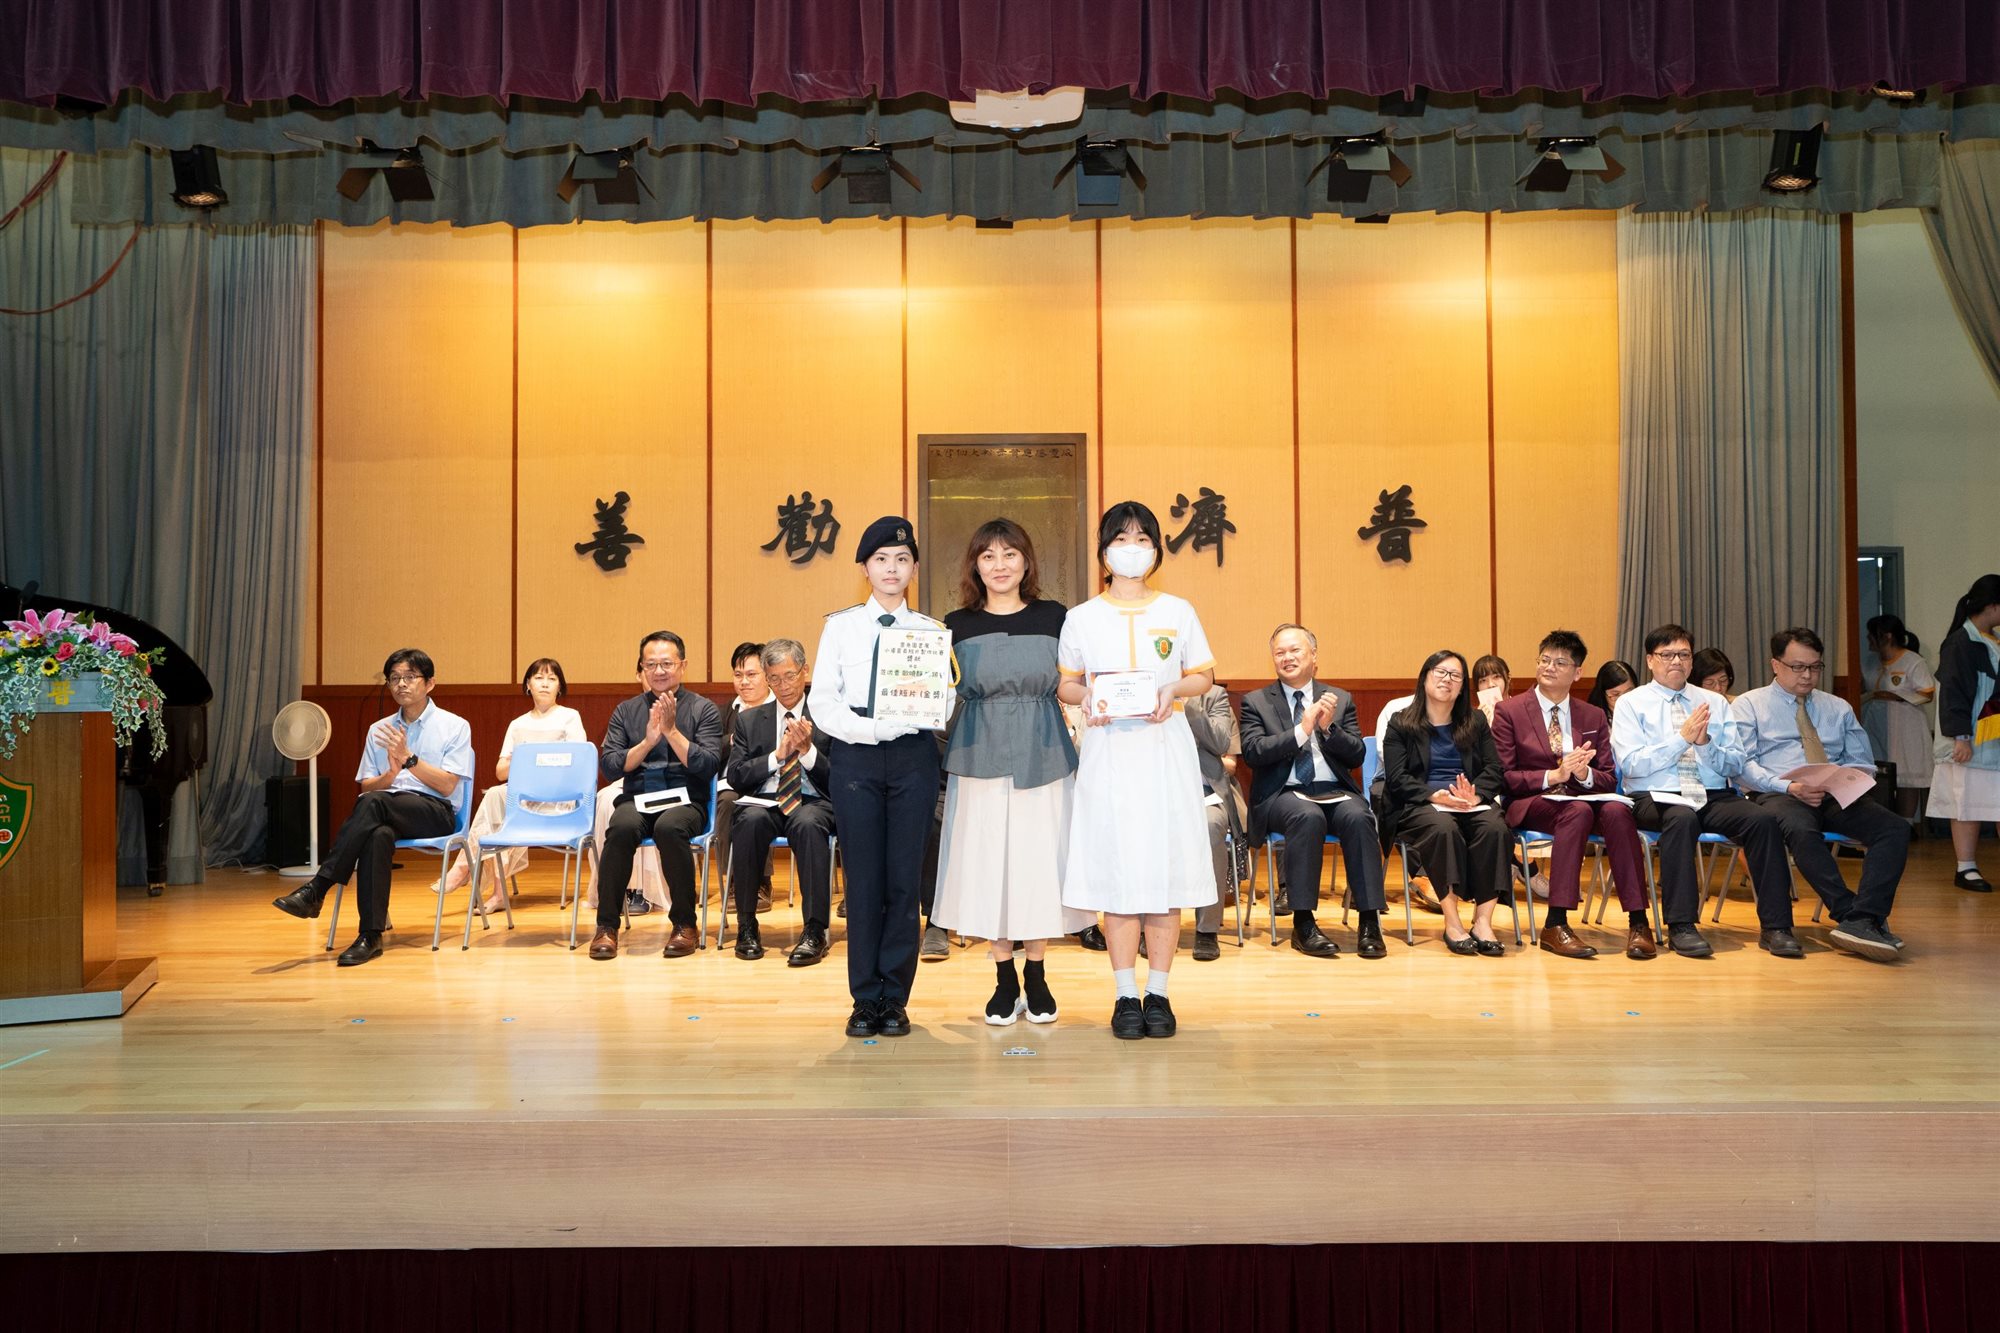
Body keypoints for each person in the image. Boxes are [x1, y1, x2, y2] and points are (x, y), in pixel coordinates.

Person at [1057, 501, 1217, 1039]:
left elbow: (1203, 676)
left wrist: (1173, 688)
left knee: (1162, 873)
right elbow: (1067, 684)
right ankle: (1126, 994)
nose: (1132, 548)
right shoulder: (1081, 617)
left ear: (1156, 550)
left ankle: (1160, 994)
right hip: (1107, 754)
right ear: (1104, 552)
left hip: (1165, 751)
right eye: (1121, 539)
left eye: (1143, 539)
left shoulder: (1178, 610)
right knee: (1118, 872)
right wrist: (1088, 697)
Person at [932, 519, 1091, 1024]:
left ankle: (1037, 974)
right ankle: (1004, 976)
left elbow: (1075, 682)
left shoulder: (1056, 617)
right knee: (987, 863)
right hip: (978, 749)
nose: (999, 565)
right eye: (988, 556)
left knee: (1039, 861)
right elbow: (939, 696)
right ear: (975, 566)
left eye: (1009, 554)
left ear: (1026, 561)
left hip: (1043, 747)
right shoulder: (954, 624)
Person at [810, 516, 954, 1039]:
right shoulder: (840, 627)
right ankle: (863, 999)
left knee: (903, 880)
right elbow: (822, 702)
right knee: (865, 881)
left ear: (914, 568)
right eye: (880, 560)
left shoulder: (932, 633)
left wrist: (925, 709)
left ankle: (895, 998)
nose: (891, 569)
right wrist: (871, 729)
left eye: (901, 559)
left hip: (914, 756)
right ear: (865, 569)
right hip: (857, 758)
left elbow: (947, 699)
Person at [271, 648, 472, 967]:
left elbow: (448, 785)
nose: (401, 684)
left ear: (430, 683)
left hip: (436, 812)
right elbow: (367, 787)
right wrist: (390, 775)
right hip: (385, 807)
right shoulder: (379, 729)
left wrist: (408, 759)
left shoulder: (455, 726)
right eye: (394, 678)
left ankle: (318, 887)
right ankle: (370, 935)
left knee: (374, 804)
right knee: (378, 834)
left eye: (410, 677)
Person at [1611, 624, 1796, 958]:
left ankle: (1777, 927)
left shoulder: (1713, 702)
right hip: (1654, 795)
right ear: (1650, 660)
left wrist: (1705, 743)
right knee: (1681, 819)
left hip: (1711, 793)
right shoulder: (1630, 703)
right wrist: (1680, 739)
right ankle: (1681, 925)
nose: (1676, 661)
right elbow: (1633, 764)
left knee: (1763, 820)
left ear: (1691, 660)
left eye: (1683, 654)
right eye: (1667, 655)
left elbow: (1735, 762)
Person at [1732, 627, 1908, 963]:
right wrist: (1789, 787)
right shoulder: (1750, 705)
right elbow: (1742, 766)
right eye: (1798, 667)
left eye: (1815, 667)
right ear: (1775, 664)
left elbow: (1862, 761)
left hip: (1833, 793)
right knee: (1801, 829)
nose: (1807, 675)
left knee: (1894, 828)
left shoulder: (1837, 707)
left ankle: (1865, 917)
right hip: (1778, 792)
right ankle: (1849, 913)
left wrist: (1843, 781)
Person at [1491, 630, 1655, 960]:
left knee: (1618, 812)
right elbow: (1503, 777)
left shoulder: (1592, 715)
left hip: (1584, 799)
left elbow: (1607, 776)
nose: (1549, 667)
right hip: (1532, 802)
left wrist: (1583, 774)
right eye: (1545, 660)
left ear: (1577, 672)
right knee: (1576, 811)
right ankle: (1556, 922)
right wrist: (1554, 775)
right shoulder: (1510, 711)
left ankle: (1639, 922)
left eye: (1560, 662)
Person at [1239, 623, 1389, 960]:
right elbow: (1254, 752)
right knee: (1306, 816)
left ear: (1313, 656)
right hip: (1284, 793)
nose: (1287, 657)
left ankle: (1369, 923)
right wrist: (1302, 729)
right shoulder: (1256, 702)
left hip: (1333, 789)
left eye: (1295, 650)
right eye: (1280, 652)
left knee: (1359, 816)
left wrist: (1328, 727)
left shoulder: (1339, 698)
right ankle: (1303, 924)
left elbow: (1356, 755)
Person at [587, 631, 723, 961]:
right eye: (651, 665)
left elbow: (708, 765)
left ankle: (684, 925)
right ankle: (606, 927)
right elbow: (611, 766)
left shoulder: (703, 709)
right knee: (620, 828)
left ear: (682, 665)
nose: (659, 671)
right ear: (642, 668)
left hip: (686, 801)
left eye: (666, 663)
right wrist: (648, 742)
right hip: (639, 798)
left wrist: (671, 732)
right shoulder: (626, 711)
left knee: (669, 828)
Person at [1381, 651, 1512, 956]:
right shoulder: (1401, 722)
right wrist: (1432, 794)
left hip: (1469, 801)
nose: (1447, 679)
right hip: (1420, 803)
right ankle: (1452, 922)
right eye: (1440, 672)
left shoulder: (1475, 721)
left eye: (1455, 675)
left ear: (1463, 686)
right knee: (1443, 829)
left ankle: (1483, 922)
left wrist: (1476, 795)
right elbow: (1397, 777)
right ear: (1425, 677)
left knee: (1495, 828)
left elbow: (1494, 768)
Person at [439, 658, 586, 915]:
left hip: (560, 799)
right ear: (528, 684)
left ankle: (464, 868)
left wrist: (531, 759)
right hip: (524, 798)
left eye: (552, 679)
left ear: (560, 687)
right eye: (539, 678)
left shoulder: (570, 717)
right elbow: (500, 772)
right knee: (497, 796)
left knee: (504, 804)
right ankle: (493, 889)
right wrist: (528, 758)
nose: (545, 684)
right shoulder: (518, 724)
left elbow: (577, 764)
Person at [725, 639, 836, 966]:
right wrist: (777, 756)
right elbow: (737, 776)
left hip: (814, 800)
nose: (783, 685)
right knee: (749, 820)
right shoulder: (750, 720)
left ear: (805, 671)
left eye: (789, 676)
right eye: (774, 678)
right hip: (765, 799)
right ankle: (747, 924)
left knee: (808, 823)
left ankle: (814, 930)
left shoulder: (828, 717)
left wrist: (808, 751)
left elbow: (841, 779)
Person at [1933, 574, 2000, 892]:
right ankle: (1966, 867)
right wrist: (1960, 736)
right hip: (1971, 739)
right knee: (1967, 802)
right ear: (1993, 606)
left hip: (1994, 736)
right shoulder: (1960, 642)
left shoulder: (1992, 639)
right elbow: (1953, 692)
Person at [1183, 681, 1249, 962]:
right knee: (1146, 832)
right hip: (1158, 792)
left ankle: (1207, 930)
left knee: (1211, 827)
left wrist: (1188, 703)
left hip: (1206, 791)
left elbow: (1221, 744)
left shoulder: (1212, 696)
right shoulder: (1146, 690)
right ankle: (1150, 925)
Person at [714, 641, 774, 919]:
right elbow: (708, 750)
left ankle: (761, 881)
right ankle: (736, 882)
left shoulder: (779, 707)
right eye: (738, 675)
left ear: (767, 675)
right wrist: (732, 740)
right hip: (731, 784)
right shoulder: (725, 711)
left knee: (760, 804)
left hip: (769, 781)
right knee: (727, 801)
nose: (744, 681)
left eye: (751, 674)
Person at [1860, 615, 1934, 824]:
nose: (1868, 639)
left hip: (1906, 724)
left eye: (1872, 635)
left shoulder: (1913, 661)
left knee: (1907, 775)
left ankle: (1906, 824)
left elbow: (1927, 694)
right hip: (1875, 722)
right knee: (1877, 771)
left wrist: (1894, 696)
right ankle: (1881, 822)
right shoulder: (1869, 662)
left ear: (1887, 636)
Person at [1472, 654, 1510, 722]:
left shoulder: (1520, 709)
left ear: (1508, 678)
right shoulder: (1472, 718)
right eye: (1483, 680)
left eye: (1496, 677)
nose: (1490, 685)